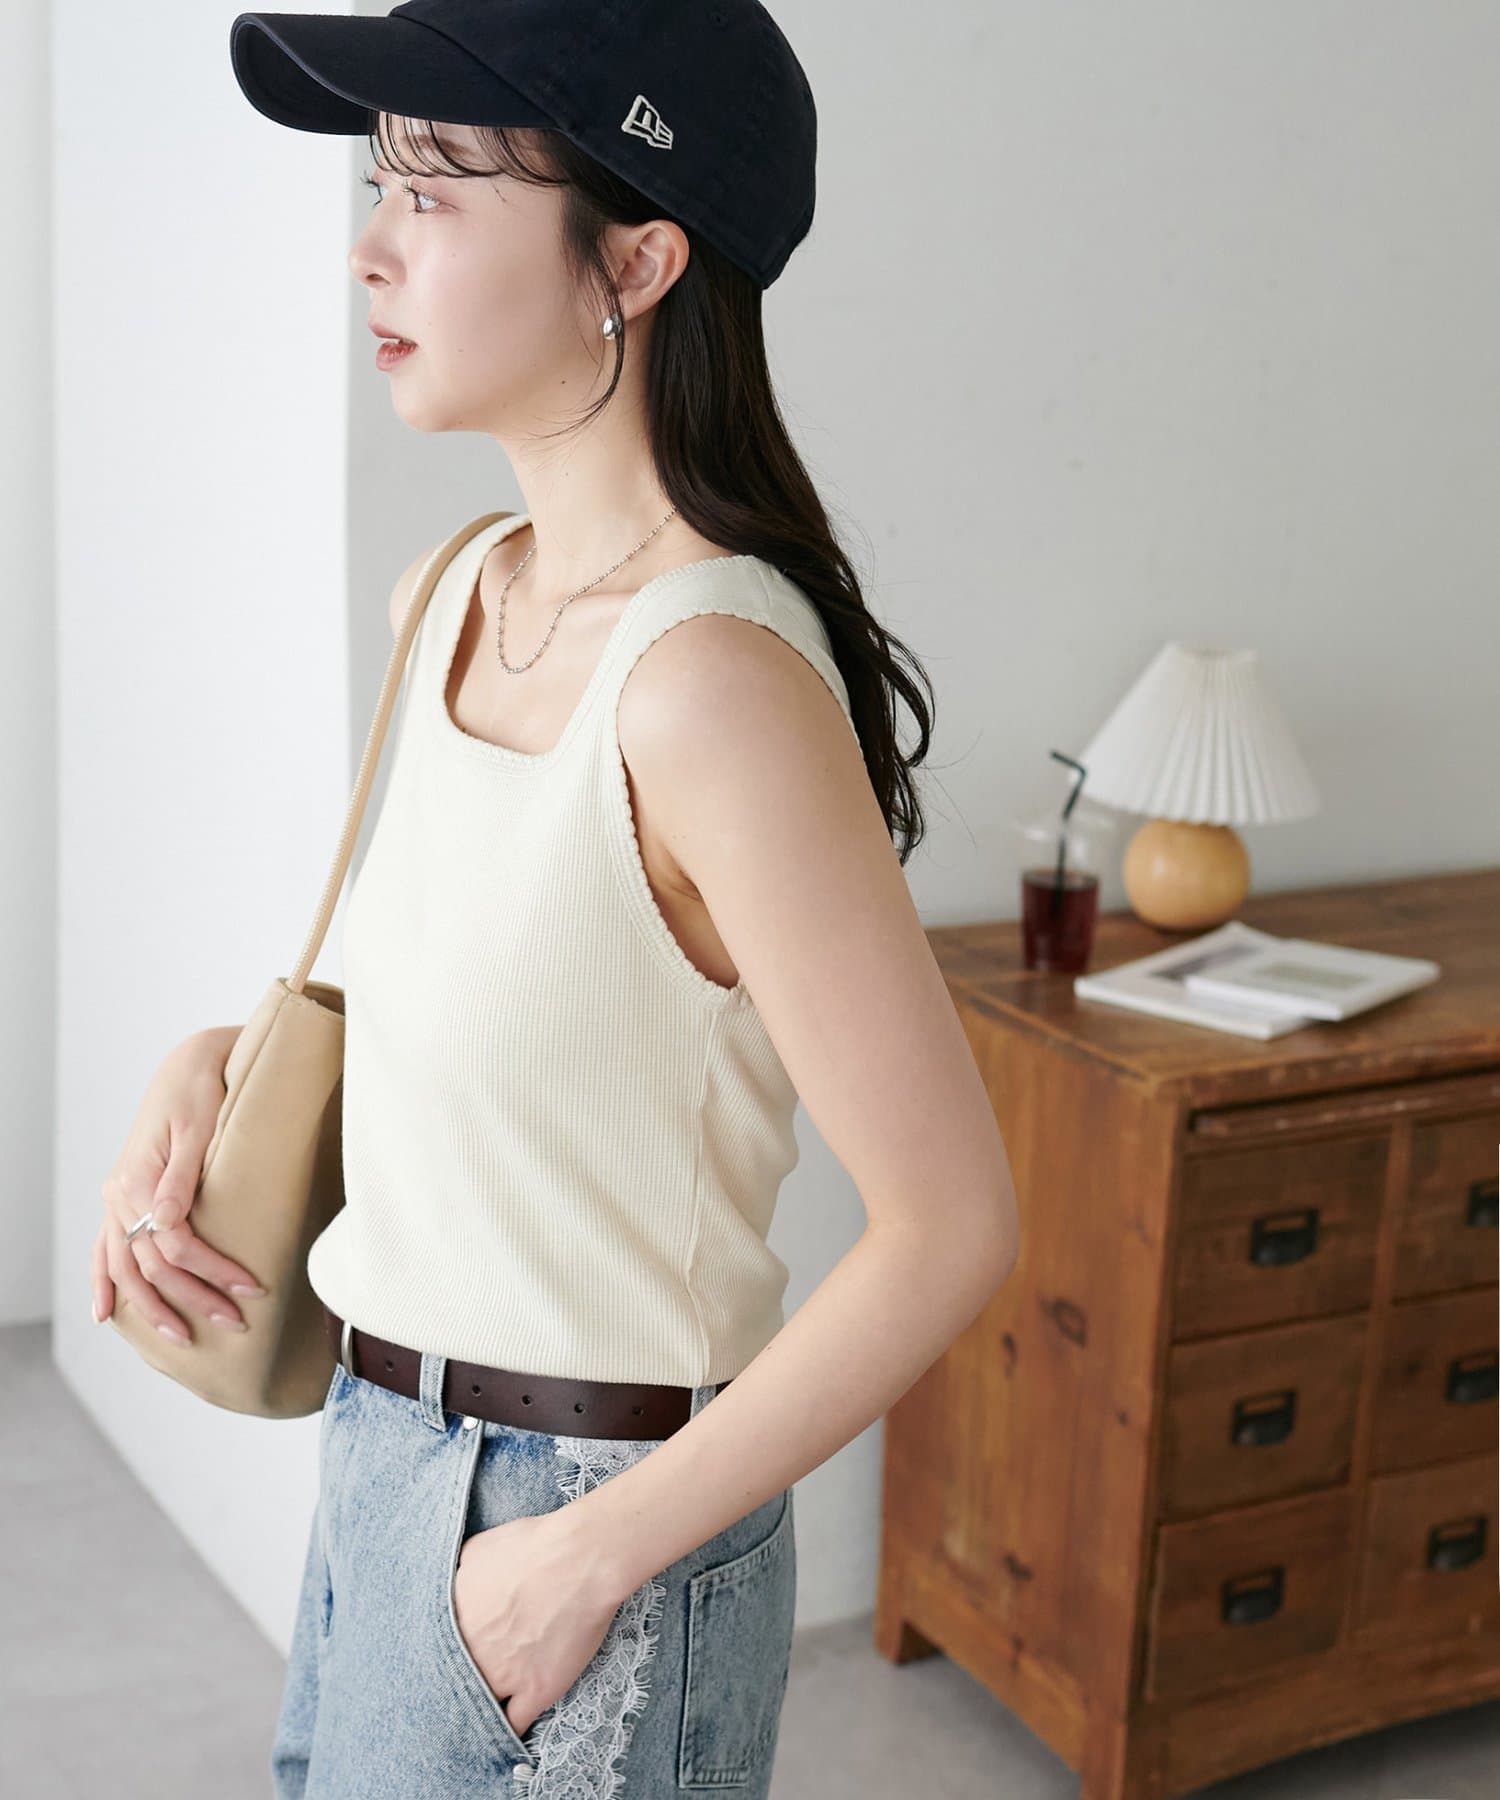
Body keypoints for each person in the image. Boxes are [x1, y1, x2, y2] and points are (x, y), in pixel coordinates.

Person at [91, 3, 1021, 1794]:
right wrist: (208, 1064)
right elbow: (516, 1017)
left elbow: (951, 1226)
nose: (371, 247)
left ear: (637, 263)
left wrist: (580, 1562)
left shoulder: (712, 683)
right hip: (381, 1457)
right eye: (379, 186)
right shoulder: (453, 594)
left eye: (436, 191)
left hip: (585, 1522)